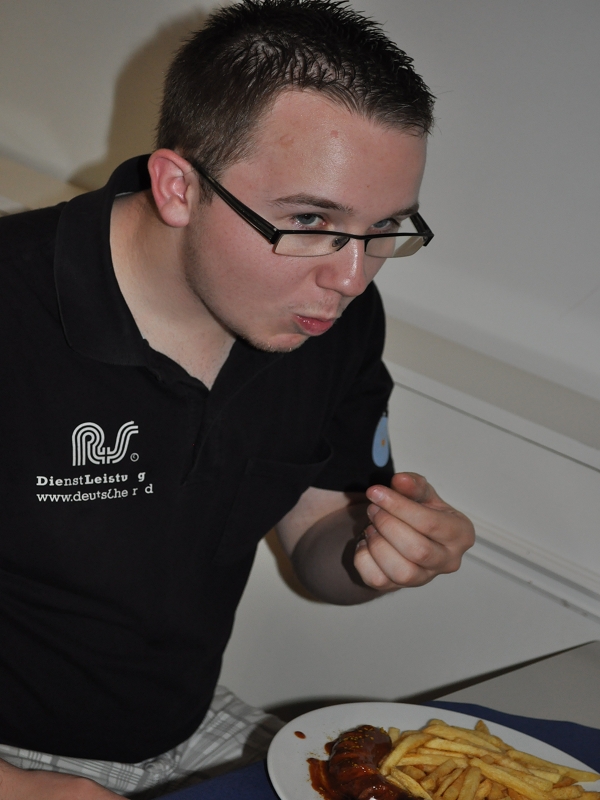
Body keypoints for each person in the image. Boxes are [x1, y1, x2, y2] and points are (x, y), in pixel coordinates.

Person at [0, 0, 475, 796]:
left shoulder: (329, 319)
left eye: (385, 228)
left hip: (185, 727)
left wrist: (377, 551)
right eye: (311, 219)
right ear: (178, 187)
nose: (350, 277)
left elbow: (316, 531)